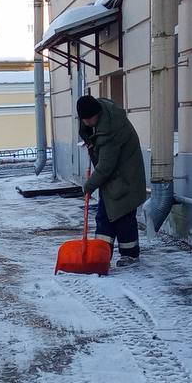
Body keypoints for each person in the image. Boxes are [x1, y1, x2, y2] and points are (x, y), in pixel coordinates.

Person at [76, 93, 148, 267]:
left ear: (97, 114)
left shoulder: (111, 130)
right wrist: (89, 139)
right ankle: (101, 254)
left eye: (89, 119)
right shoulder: (98, 119)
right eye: (84, 120)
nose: (86, 123)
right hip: (112, 179)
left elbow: (106, 166)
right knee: (104, 215)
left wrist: (89, 185)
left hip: (126, 178)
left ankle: (130, 255)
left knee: (122, 216)